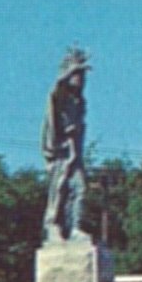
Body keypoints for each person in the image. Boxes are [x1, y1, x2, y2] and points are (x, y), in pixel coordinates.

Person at [41, 48, 91, 243]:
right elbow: (56, 91)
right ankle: (52, 224)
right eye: (77, 74)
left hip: (74, 153)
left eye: (82, 75)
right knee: (59, 190)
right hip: (60, 152)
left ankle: (76, 227)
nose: (80, 78)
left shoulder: (79, 101)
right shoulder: (58, 96)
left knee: (80, 189)